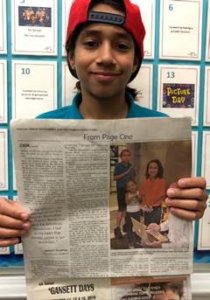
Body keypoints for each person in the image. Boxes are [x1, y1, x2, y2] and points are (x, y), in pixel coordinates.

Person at [0, 0, 207, 248]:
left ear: (136, 62)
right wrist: (12, 223)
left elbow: (173, 206)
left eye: (121, 46)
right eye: (91, 43)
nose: (106, 57)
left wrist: (189, 204)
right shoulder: (42, 129)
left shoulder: (162, 128)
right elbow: (33, 219)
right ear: (72, 57)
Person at [114, 149, 136, 239]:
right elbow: (115, 178)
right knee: (121, 209)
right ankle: (117, 228)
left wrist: (134, 189)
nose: (126, 157)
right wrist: (126, 172)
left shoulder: (131, 166)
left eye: (128, 155)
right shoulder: (118, 166)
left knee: (127, 209)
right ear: (121, 157)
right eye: (124, 155)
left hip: (130, 189)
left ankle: (126, 226)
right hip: (121, 189)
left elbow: (133, 177)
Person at [139, 159, 167, 226]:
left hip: (156, 210)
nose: (152, 170)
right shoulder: (146, 182)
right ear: (148, 170)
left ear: (159, 169)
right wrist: (144, 206)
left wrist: (151, 207)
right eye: (150, 168)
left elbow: (161, 198)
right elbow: (143, 196)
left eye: (155, 168)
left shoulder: (162, 181)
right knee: (146, 227)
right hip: (147, 209)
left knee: (153, 229)